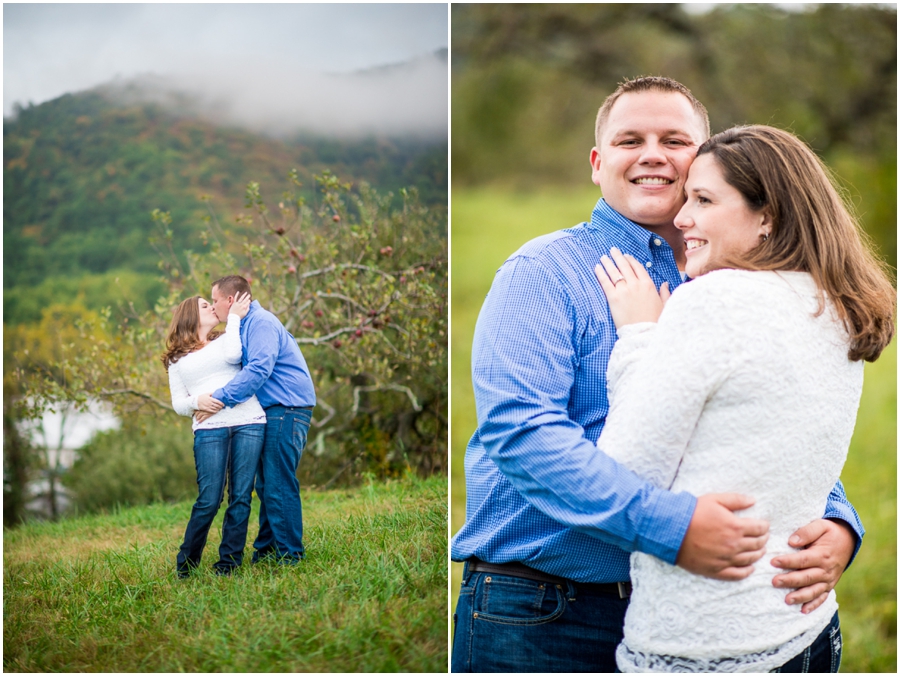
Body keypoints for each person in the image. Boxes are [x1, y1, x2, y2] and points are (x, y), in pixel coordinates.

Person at [450, 77, 865, 673]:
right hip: (546, 610)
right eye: (629, 140)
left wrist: (837, 520)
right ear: (598, 163)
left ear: (703, 159)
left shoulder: (734, 279)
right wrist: (673, 528)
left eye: (674, 139)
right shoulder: (544, 271)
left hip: (700, 611)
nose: (651, 154)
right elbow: (522, 434)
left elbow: (770, 421)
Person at [593, 125, 894, 672]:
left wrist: (640, 335)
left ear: (768, 217)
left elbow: (624, 470)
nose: (682, 218)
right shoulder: (834, 305)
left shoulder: (713, 301)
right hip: (807, 624)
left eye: (703, 200)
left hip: (711, 639)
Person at [194, 275, 316, 565]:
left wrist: (219, 399)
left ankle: (290, 556)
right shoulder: (245, 326)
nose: (213, 306)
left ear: (230, 300)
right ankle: (266, 550)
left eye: (214, 300)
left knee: (277, 483)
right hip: (275, 408)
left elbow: (259, 369)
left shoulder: (261, 324)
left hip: (286, 407)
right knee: (266, 485)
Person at [163, 292, 264, 577]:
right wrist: (198, 402)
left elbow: (234, 356)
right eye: (205, 306)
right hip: (208, 429)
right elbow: (179, 404)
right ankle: (186, 564)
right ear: (190, 316)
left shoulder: (226, 338)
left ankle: (228, 564)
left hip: (249, 420)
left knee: (241, 496)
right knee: (209, 499)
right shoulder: (176, 360)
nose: (212, 307)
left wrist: (233, 319)